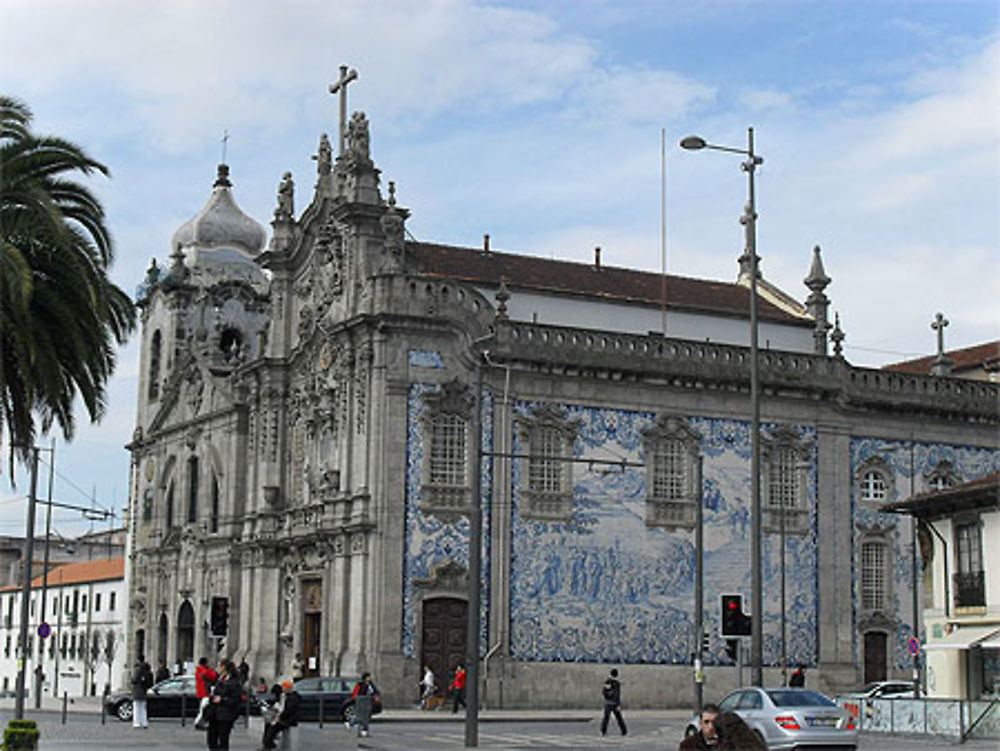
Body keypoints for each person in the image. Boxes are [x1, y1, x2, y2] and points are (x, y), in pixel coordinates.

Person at [206, 660, 243, 750]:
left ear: (224, 668)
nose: (217, 668)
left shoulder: (234, 682)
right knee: (211, 739)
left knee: (223, 740)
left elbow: (236, 700)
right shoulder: (219, 680)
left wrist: (222, 700)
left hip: (226, 715)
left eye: (219, 666)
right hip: (214, 714)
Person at [260, 680, 301, 750]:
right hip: (286, 718)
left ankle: (268, 745)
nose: (283, 690)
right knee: (268, 724)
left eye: (284, 688)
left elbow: (288, 711)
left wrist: (279, 718)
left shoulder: (293, 698)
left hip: (289, 720)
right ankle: (268, 744)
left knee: (273, 727)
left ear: (288, 689)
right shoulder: (288, 696)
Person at [348, 672, 378, 738]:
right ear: (365, 678)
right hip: (361, 702)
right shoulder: (360, 684)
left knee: (366, 718)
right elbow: (356, 693)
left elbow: (375, 692)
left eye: (370, 677)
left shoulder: (371, 684)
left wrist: (375, 696)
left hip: (368, 703)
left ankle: (364, 732)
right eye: (368, 677)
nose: (369, 678)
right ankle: (351, 723)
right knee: (360, 717)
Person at [600, 668, 627, 736]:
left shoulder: (607, 682)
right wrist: (618, 705)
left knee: (606, 718)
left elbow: (604, 692)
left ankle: (603, 731)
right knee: (619, 718)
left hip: (608, 703)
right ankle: (624, 731)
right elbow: (617, 695)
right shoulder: (617, 683)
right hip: (614, 703)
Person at [194, 657, 218, 730]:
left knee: (202, 708)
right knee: (204, 709)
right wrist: (211, 669)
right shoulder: (204, 671)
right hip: (205, 692)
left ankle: (199, 722)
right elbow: (213, 676)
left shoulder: (198, 670)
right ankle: (198, 722)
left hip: (201, 692)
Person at [130, 655, 153, 729]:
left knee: (137, 707)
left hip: (137, 690)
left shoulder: (138, 669)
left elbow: (134, 679)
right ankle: (144, 722)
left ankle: (137, 723)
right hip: (144, 690)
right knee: (143, 708)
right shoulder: (147, 669)